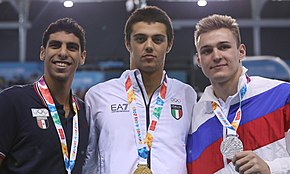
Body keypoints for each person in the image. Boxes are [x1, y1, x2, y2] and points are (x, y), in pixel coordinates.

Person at [83, 6, 197, 174]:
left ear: (169, 44)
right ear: (128, 43)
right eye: (140, 39)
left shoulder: (187, 95)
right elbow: (88, 160)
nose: (149, 46)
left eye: (158, 39)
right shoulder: (98, 96)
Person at [186, 14, 290, 173]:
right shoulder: (193, 118)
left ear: (241, 52)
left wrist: (272, 168)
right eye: (207, 51)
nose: (216, 56)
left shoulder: (281, 95)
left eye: (223, 47)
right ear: (199, 60)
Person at [0, 17, 89, 174]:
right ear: (42, 53)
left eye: (72, 47)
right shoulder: (12, 101)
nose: (63, 53)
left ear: (82, 57)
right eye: (55, 45)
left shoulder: (84, 112)